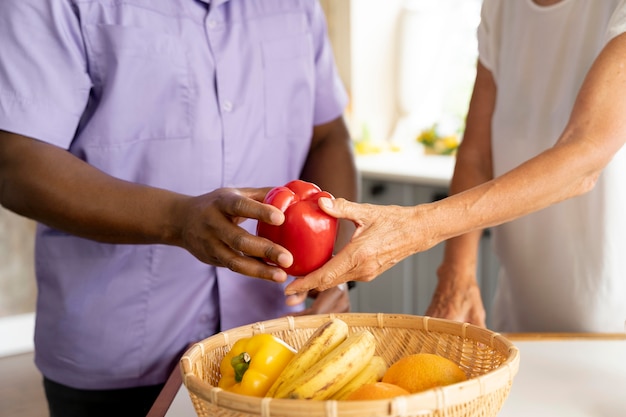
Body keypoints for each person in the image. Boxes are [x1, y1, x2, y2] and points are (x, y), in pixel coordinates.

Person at [0, 1, 357, 416]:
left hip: (279, 345)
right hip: (119, 355)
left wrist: (332, 261)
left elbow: (328, 135)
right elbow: (17, 162)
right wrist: (176, 220)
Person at [285, 0, 626, 334]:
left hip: (613, 324)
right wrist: (457, 271)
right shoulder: (501, 6)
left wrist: (417, 228)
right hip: (520, 309)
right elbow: (477, 154)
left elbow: (585, 154)